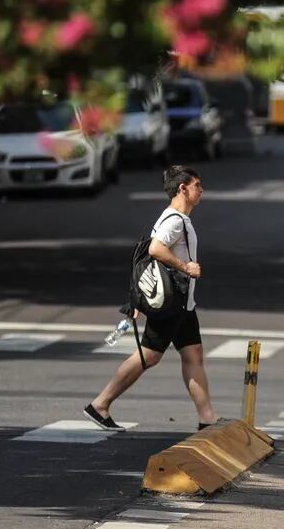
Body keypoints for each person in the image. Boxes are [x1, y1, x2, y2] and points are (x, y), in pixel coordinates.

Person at [84, 165, 222, 431]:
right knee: (148, 356)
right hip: (172, 304)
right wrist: (186, 268)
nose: (201, 190)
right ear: (183, 189)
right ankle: (100, 405)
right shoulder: (174, 221)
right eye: (197, 185)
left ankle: (207, 418)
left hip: (183, 304)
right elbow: (156, 249)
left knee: (193, 355)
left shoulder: (176, 219)